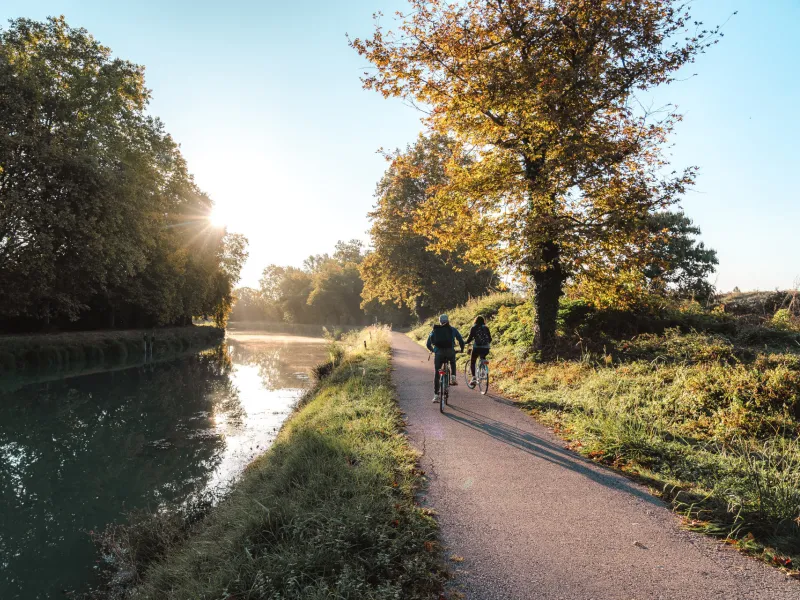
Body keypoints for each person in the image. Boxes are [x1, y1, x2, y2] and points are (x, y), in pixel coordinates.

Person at [426, 314, 464, 402]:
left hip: (438, 353)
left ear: (440, 321)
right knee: (453, 362)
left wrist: (433, 350)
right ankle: (453, 377)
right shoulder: (452, 329)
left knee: (437, 373)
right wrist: (461, 349)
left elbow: (428, 344)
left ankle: (436, 395)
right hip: (450, 352)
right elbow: (461, 341)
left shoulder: (435, 330)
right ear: (448, 321)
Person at [465, 315, 492, 388]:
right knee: (482, 357)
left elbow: (469, 339)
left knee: (473, 361)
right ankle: (483, 370)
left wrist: (465, 342)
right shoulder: (486, 328)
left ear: (475, 321)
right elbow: (490, 339)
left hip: (477, 348)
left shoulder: (474, 328)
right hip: (486, 348)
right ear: (483, 321)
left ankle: (473, 378)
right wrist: (485, 344)